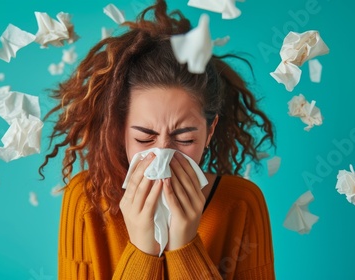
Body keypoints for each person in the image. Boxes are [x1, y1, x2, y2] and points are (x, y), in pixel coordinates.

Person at [39, 0, 276, 279]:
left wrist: (185, 245)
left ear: (210, 132)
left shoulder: (242, 203)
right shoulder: (86, 200)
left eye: (185, 139)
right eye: (144, 137)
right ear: (120, 130)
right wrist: (141, 247)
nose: (163, 154)